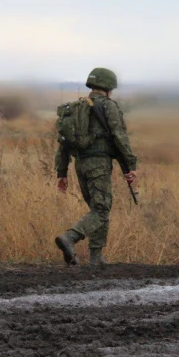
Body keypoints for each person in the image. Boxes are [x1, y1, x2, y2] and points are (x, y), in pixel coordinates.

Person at [54, 67, 138, 266]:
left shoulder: (76, 108)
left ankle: (96, 257)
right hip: (99, 164)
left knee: (98, 209)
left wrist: (62, 172)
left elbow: (64, 142)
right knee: (101, 209)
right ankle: (70, 238)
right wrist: (131, 166)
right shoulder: (109, 106)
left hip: (80, 164)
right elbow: (120, 137)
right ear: (109, 87)